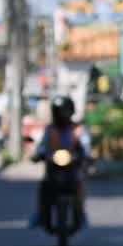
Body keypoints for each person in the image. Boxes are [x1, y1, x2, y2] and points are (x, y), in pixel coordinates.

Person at [30, 96, 92, 231]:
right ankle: (40, 214)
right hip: (53, 166)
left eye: (64, 111)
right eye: (58, 112)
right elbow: (42, 145)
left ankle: (81, 214)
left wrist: (87, 156)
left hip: (73, 166)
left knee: (80, 184)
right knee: (44, 186)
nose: (61, 115)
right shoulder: (50, 129)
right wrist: (38, 154)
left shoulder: (78, 129)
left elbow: (86, 145)